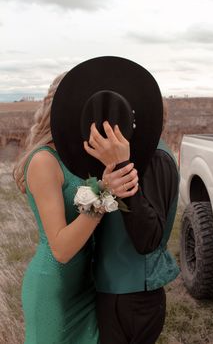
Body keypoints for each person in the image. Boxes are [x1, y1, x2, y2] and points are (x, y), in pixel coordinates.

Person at [49, 56, 180, 344]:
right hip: (112, 290)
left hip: (133, 298)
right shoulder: (127, 158)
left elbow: (148, 239)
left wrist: (122, 169)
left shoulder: (156, 159)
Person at [13, 73, 137, 344]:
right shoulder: (44, 161)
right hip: (54, 289)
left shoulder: (79, 155)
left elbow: (91, 212)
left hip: (85, 283)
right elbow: (61, 248)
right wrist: (104, 192)